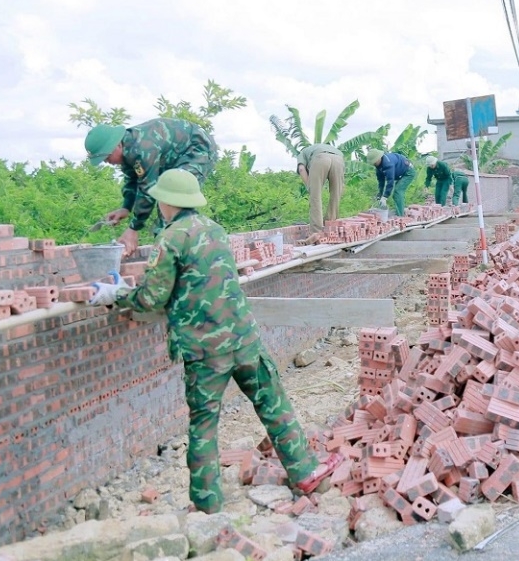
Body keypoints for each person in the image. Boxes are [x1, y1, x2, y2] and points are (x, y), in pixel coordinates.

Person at [87, 169, 343, 513]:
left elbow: (151, 299)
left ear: (167, 201)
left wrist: (116, 294)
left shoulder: (170, 238)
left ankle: (207, 504)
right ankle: (305, 471)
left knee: (204, 425)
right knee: (273, 405)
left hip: (206, 350)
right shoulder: (215, 230)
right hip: (244, 338)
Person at [85, 118, 219, 257]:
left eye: (107, 156)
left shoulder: (142, 148)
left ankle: (180, 256)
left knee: (174, 201)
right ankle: (166, 256)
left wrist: (133, 228)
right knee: (166, 205)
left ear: (117, 145)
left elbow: (147, 190)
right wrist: (126, 207)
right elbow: (132, 180)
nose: (107, 162)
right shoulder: (128, 150)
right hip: (174, 159)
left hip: (197, 149)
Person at [296, 144, 345, 244]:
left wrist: (310, 187)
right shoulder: (324, 147)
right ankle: (330, 227)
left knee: (315, 197)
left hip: (320, 159)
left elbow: (301, 169)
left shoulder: (303, 152)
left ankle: (316, 233)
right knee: (335, 196)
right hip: (339, 160)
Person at [368, 149, 415, 216]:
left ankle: (400, 217)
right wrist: (380, 194)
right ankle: (402, 210)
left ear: (379, 158)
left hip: (408, 172)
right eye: (373, 163)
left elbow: (390, 182)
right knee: (398, 192)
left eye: (375, 162)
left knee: (398, 191)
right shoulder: (378, 166)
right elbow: (381, 181)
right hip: (400, 173)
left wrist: (385, 197)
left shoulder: (388, 163)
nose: (374, 164)